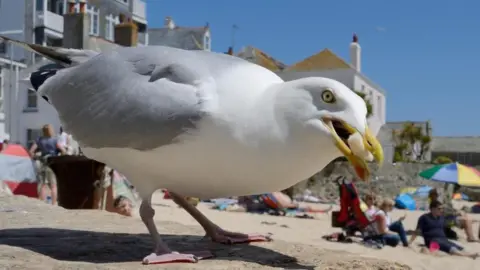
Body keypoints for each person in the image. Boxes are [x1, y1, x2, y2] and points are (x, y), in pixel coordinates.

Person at [409, 200, 478, 259]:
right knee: (449, 248)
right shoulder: (424, 218)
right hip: (432, 241)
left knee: (459, 247)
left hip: (444, 239)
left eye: (442, 208)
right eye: (439, 208)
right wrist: (410, 242)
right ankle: (467, 256)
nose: (441, 210)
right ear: (432, 209)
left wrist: (465, 220)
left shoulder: (441, 218)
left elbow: (451, 221)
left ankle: (467, 254)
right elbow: (417, 231)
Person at [29, 124, 67, 205]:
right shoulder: (54, 140)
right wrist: (60, 156)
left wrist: (37, 157)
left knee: (43, 184)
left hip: (42, 163)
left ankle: (42, 202)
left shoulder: (39, 140)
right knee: (53, 185)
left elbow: (31, 151)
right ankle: (53, 203)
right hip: (53, 164)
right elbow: (63, 150)